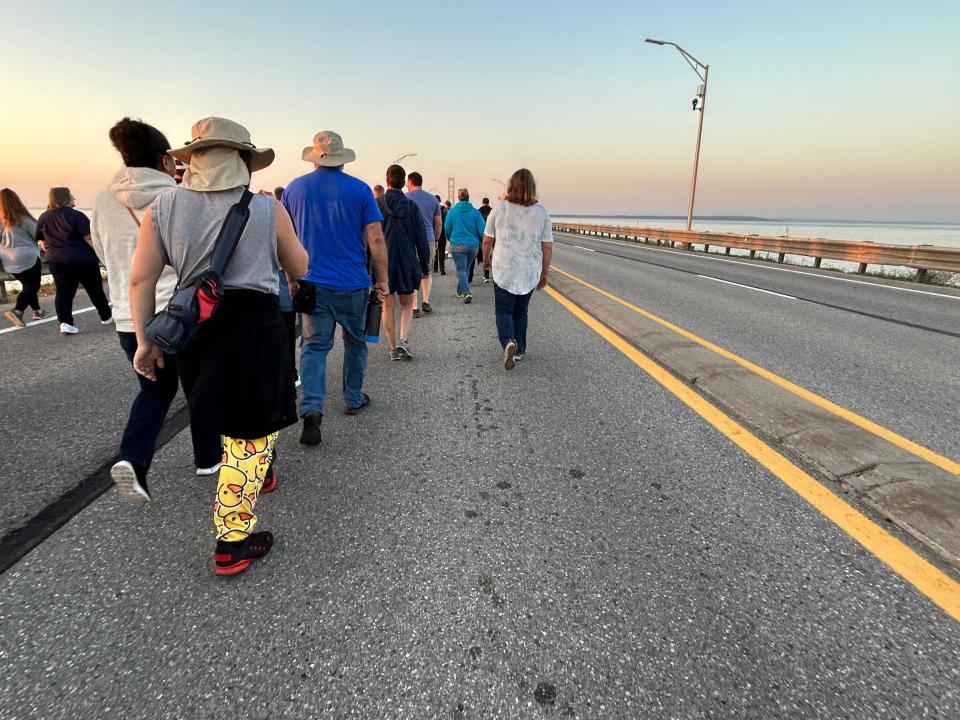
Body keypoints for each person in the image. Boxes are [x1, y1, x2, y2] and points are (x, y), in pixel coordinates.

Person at [128, 116, 308, 575]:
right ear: (243, 160)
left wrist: (146, 339)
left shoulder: (163, 208)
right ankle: (232, 540)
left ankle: (253, 473)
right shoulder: (267, 208)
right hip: (254, 325)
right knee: (251, 430)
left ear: (194, 161)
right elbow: (301, 266)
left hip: (198, 327)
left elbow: (141, 278)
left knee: (227, 416)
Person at [90, 117, 223, 490]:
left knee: (155, 390)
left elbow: (102, 251)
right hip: (182, 314)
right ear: (167, 160)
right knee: (201, 387)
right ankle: (209, 459)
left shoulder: (102, 200)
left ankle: (133, 459)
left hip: (130, 317)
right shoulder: (180, 198)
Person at [282, 130, 388, 446]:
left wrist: (290, 279)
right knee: (355, 343)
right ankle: (353, 398)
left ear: (315, 158)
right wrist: (381, 278)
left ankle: (312, 408)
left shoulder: (293, 190)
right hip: (353, 284)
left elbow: (285, 242)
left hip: (310, 284)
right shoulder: (359, 191)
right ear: (342, 160)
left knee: (314, 346)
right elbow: (376, 239)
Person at [482, 169, 553, 370]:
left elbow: (487, 240)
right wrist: (544, 273)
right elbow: (547, 246)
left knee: (504, 310)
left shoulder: (499, 209)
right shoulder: (541, 212)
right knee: (521, 310)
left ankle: (508, 341)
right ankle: (519, 349)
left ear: (511, 186)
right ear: (532, 188)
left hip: (504, 268)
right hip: (529, 269)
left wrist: (486, 261)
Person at [36, 187, 113, 334]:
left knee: (63, 292)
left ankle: (65, 323)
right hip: (82, 259)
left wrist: (54, 252)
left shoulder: (44, 217)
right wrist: (102, 255)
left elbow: (43, 242)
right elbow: (89, 238)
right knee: (94, 289)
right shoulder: (78, 216)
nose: (74, 198)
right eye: (71, 196)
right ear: (64, 198)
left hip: (56, 261)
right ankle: (106, 316)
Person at [377, 165, 430, 360]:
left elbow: (368, 237)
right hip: (407, 259)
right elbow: (421, 240)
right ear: (403, 181)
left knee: (387, 305)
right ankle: (403, 340)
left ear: (387, 180)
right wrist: (424, 265)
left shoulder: (377, 204)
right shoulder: (411, 207)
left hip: (384, 263)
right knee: (407, 303)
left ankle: (392, 348)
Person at [1, 189, 45, 327]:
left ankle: (38, 311)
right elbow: (39, 236)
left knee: (28, 286)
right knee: (33, 286)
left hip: (8, 260)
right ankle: (18, 310)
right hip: (28, 258)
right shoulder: (24, 219)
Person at [404, 171, 441, 316]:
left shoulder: (405, 198)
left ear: (411, 182)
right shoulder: (433, 199)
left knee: (413, 273)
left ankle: (414, 307)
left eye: (407, 182)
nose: (406, 185)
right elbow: (438, 223)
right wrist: (437, 239)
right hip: (428, 239)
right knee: (426, 272)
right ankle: (426, 301)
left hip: (410, 239)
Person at [273, 185, 297, 383]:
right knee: (288, 337)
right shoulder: (284, 220)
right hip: (284, 295)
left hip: (263, 296)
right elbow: (291, 260)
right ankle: (290, 374)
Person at [444, 188, 486, 303]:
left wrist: (450, 239)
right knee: (466, 269)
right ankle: (459, 291)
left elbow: (447, 228)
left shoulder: (452, 212)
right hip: (473, 246)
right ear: (468, 197)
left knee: (461, 269)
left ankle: (466, 292)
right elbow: (482, 230)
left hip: (457, 244)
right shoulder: (475, 212)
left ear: (458, 198)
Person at [475, 196, 493, 283]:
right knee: (492, 254)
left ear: (482, 202)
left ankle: (485, 275)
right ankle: (494, 274)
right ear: (488, 202)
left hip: (482, 234)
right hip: (493, 235)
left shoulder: (478, 211)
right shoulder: (492, 211)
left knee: (484, 253)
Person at [433, 194, 448, 275]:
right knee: (441, 250)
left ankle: (435, 268)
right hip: (442, 232)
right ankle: (442, 268)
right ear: (440, 201)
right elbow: (446, 221)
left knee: (435, 249)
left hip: (433, 231)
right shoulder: (444, 209)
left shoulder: (432, 208)